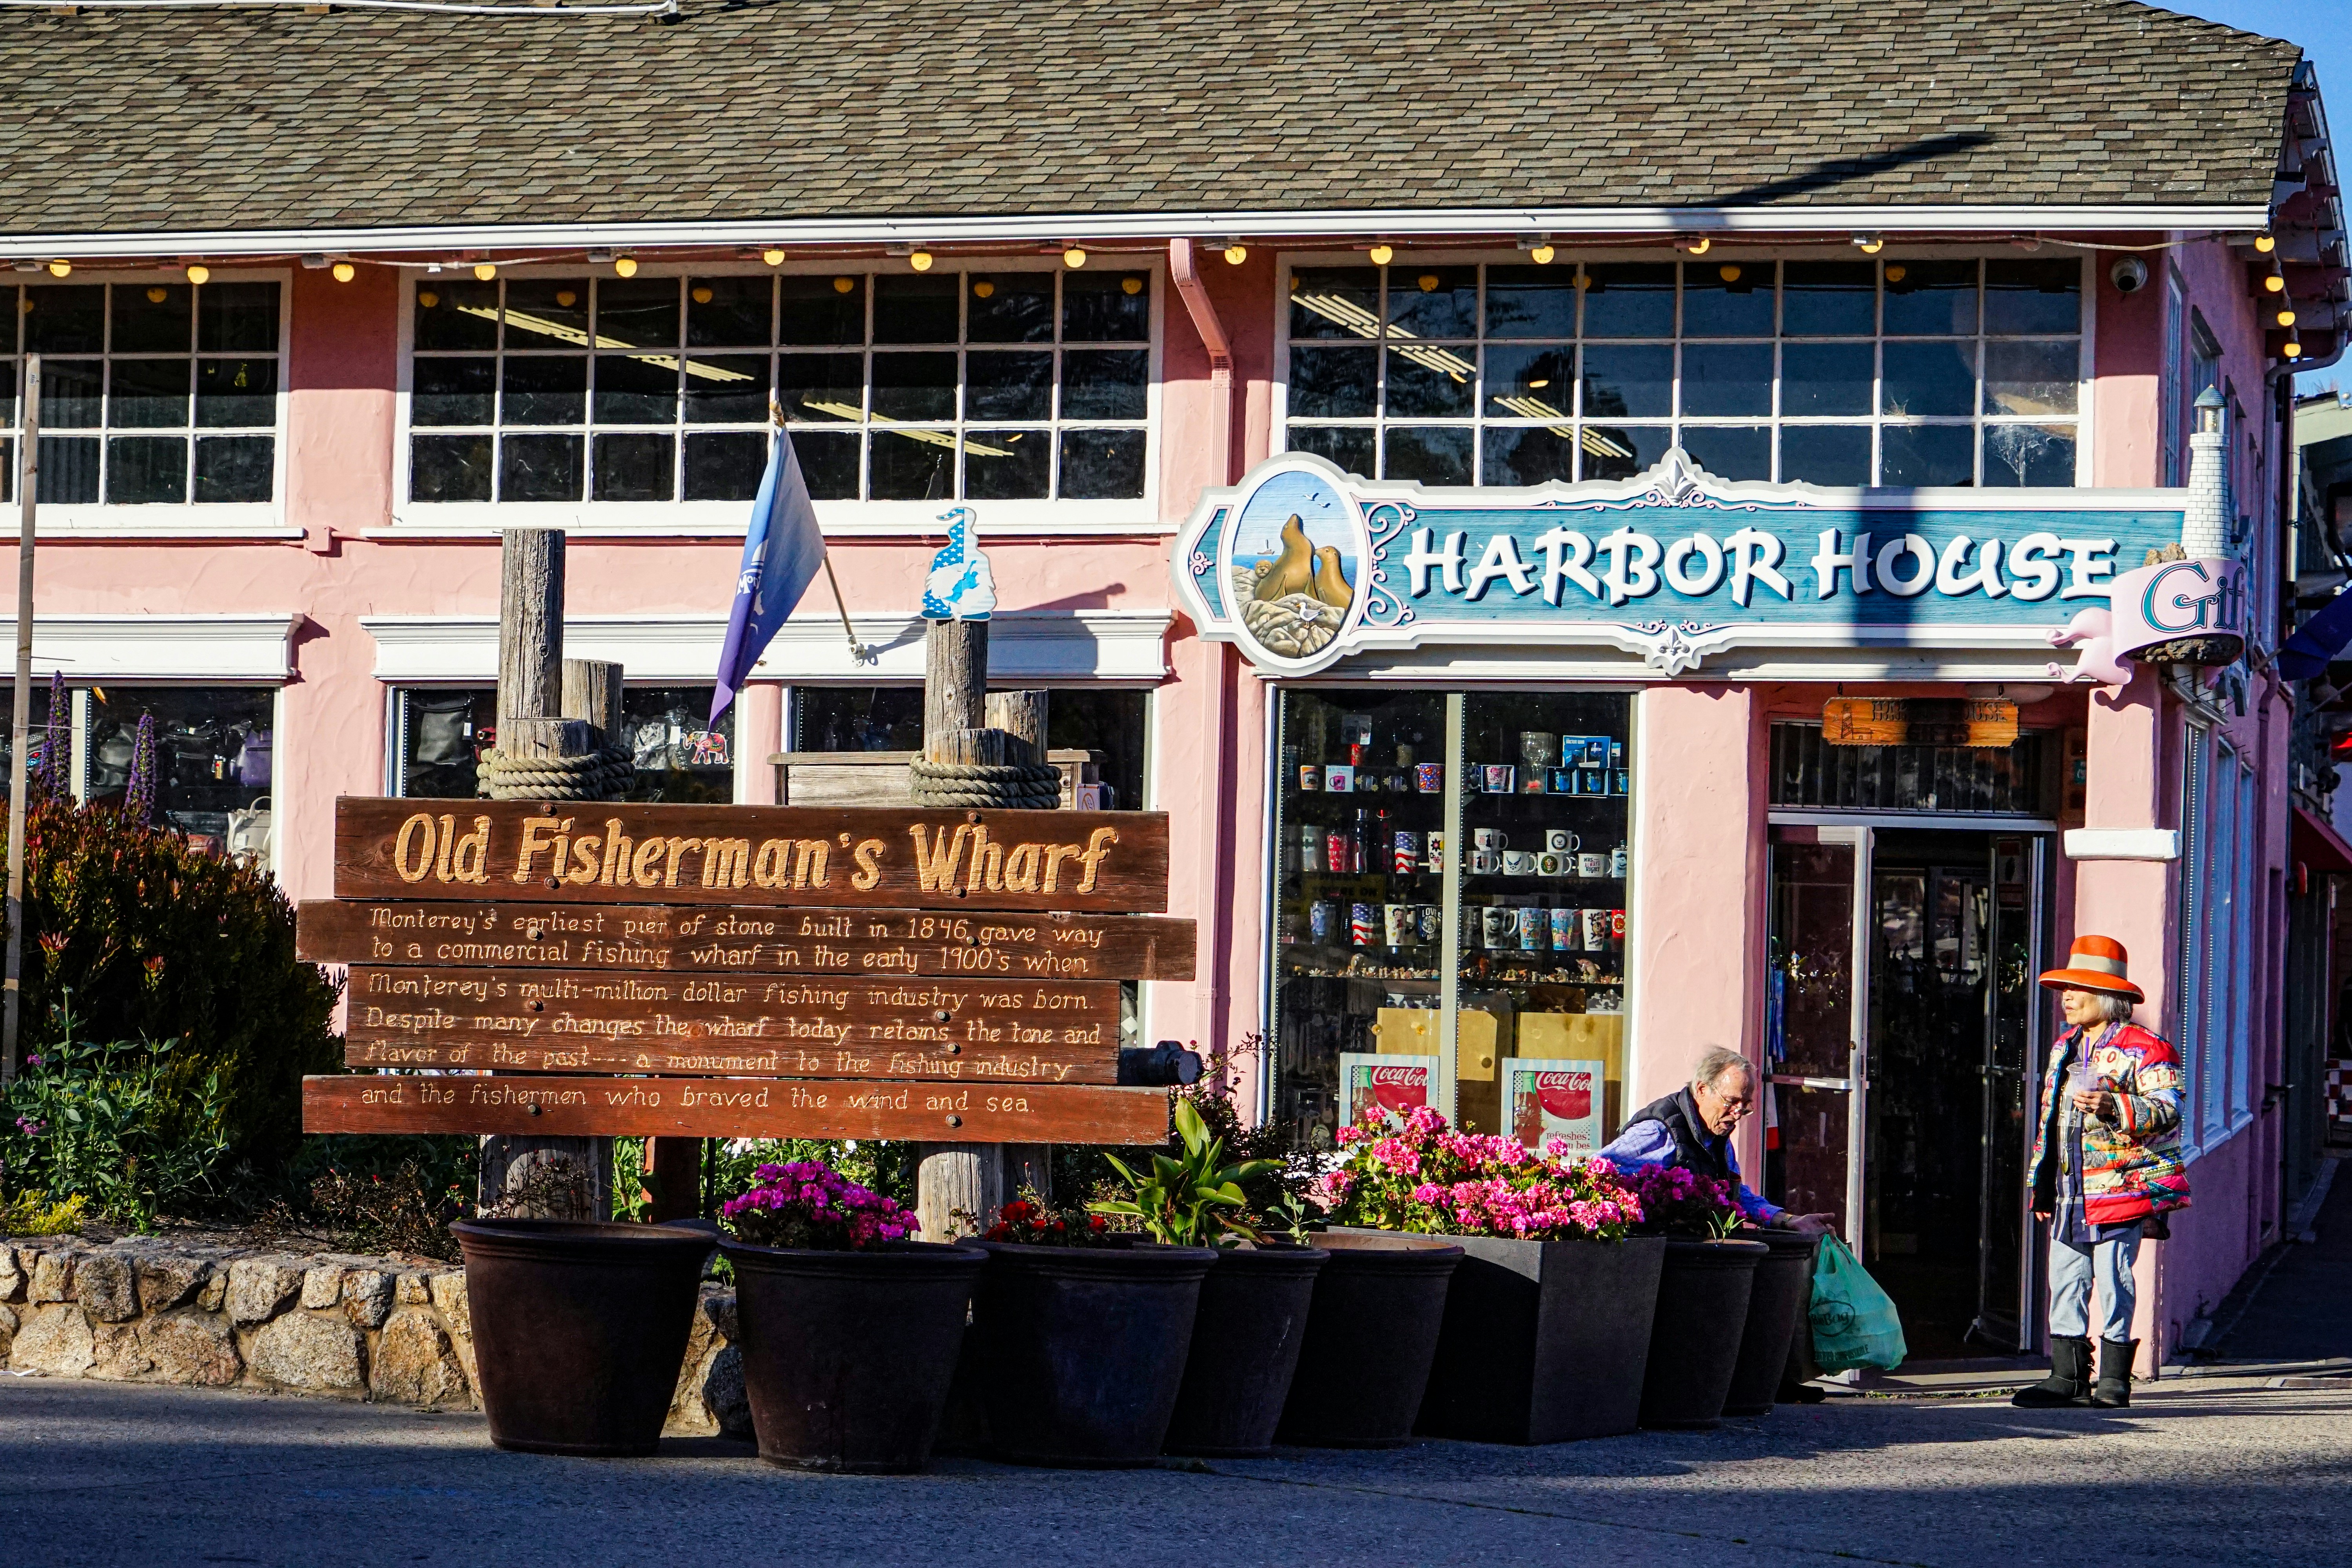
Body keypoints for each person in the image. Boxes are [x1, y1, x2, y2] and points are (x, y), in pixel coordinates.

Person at [2012, 935, 2189, 1410]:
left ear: (2106, 996)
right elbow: (2050, 1120)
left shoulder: (2147, 1047)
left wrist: (2115, 1105)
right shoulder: (2064, 1047)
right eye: (2065, 988)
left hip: (2121, 1187)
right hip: (2069, 1190)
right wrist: (2041, 1184)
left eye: (2078, 989)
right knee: (2066, 1278)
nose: (2067, 997)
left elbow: (2170, 1109)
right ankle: (2066, 1376)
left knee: (2114, 1279)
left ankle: (2113, 1379)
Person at [1597, 1047, 1835, 1237]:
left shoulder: (1716, 1134)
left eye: (1745, 1104)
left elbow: (1736, 1196)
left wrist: (1789, 1221)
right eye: (1731, 1101)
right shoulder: (1660, 1131)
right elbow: (1599, 1172)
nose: (1737, 1113)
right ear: (1702, 1089)